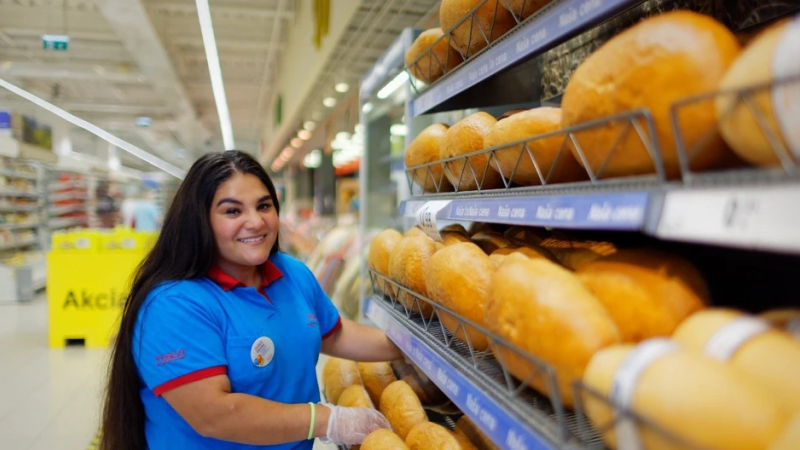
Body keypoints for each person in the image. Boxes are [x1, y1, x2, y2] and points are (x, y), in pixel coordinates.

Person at [101, 151, 401, 450]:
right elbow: (214, 416)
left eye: (264, 206)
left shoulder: (291, 272)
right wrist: (327, 420)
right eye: (233, 211)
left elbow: (335, 333)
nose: (255, 222)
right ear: (200, 221)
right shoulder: (173, 305)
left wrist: (413, 349)